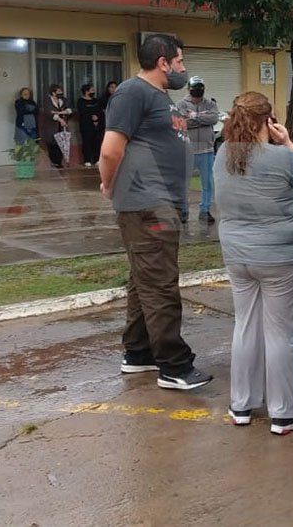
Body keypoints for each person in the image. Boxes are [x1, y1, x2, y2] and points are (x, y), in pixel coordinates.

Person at [99, 33, 211, 391]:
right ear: (163, 62)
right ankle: (174, 366)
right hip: (146, 203)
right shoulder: (132, 93)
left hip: (161, 200)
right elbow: (111, 149)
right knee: (161, 284)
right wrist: (108, 182)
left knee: (143, 280)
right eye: (179, 61)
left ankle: (138, 353)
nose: (183, 68)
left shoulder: (160, 97)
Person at [214, 91, 293, 434]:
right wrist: (286, 142)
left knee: (245, 326)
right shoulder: (281, 157)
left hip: (238, 253)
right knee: (282, 333)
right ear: (267, 122)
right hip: (281, 255)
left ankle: (241, 404)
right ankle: (284, 411)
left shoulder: (222, 154)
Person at [177, 77, 221, 224]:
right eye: (195, 88)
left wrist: (194, 116)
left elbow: (214, 119)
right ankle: (183, 210)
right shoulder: (181, 104)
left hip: (206, 149)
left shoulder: (210, 104)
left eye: (201, 87)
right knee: (183, 183)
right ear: (189, 89)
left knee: (207, 183)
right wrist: (201, 119)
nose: (198, 91)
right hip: (186, 150)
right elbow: (181, 123)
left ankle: (205, 210)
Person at [42, 84, 73, 168]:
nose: (61, 92)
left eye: (61, 91)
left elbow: (69, 110)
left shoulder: (64, 100)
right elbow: (49, 112)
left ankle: (59, 162)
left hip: (62, 126)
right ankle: (54, 162)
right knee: (52, 144)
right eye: (58, 91)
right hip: (51, 126)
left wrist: (59, 113)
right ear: (53, 92)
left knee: (62, 143)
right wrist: (59, 118)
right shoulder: (48, 100)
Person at [77, 84, 105, 167]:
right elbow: (83, 112)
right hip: (86, 126)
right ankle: (87, 160)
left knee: (96, 143)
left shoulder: (96, 101)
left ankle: (97, 159)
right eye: (92, 90)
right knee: (87, 143)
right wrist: (91, 118)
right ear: (86, 91)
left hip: (97, 126)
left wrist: (97, 119)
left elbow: (100, 112)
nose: (93, 92)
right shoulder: (81, 101)